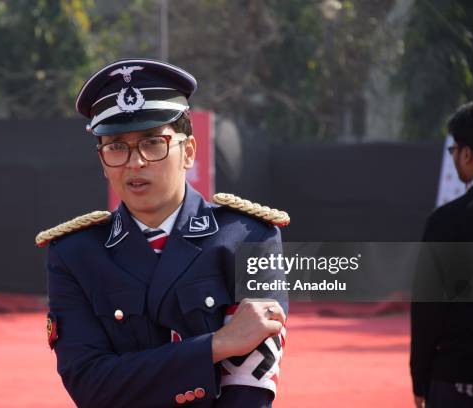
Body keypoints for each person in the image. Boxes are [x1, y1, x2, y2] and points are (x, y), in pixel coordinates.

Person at [36, 59, 290, 407]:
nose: (135, 162)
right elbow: (91, 385)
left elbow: (248, 393)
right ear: (102, 161)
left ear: (188, 152)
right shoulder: (75, 253)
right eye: (116, 146)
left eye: (153, 142)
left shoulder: (249, 237)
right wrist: (217, 345)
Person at [411, 100, 473, 407]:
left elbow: (428, 311)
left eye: (454, 149)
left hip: (458, 382)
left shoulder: (446, 221)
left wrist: (420, 378)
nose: (454, 156)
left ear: (468, 154)